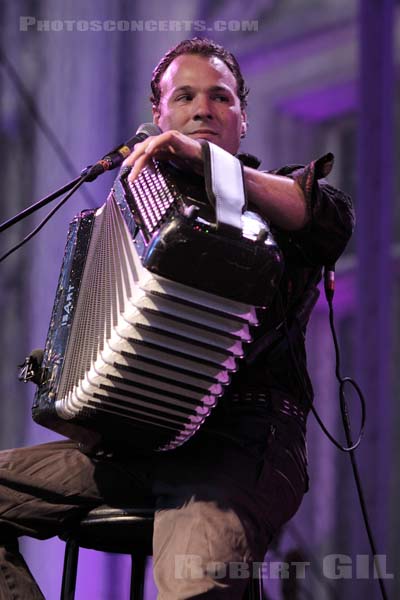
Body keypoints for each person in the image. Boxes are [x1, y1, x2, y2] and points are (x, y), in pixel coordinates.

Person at [0, 38, 354, 599]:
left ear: (243, 118)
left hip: (245, 444)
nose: (203, 109)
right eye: (184, 96)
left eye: (221, 97)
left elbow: (329, 220)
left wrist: (210, 165)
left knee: (194, 587)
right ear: (159, 116)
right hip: (138, 449)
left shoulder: (280, 202)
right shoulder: (135, 214)